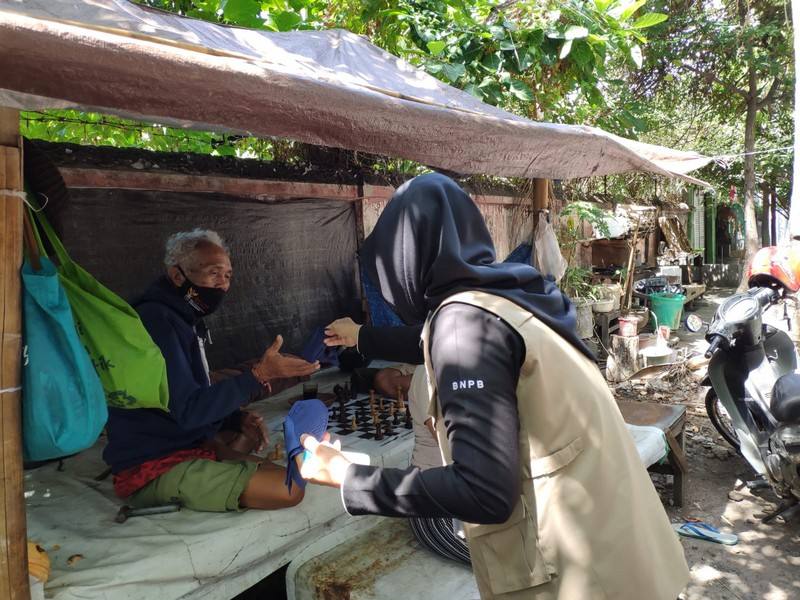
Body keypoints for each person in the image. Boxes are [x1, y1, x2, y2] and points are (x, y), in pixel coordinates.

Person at [301, 174, 689, 599]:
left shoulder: (462, 322)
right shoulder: (512, 295)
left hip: (578, 576)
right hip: (625, 549)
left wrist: (348, 477)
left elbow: (484, 494)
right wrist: (362, 336)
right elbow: (435, 341)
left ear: (403, 258)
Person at [104, 229, 319, 512]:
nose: (222, 285)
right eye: (213, 273)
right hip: (153, 462)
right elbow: (189, 410)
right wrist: (259, 375)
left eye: (228, 276)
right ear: (178, 275)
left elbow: (186, 394)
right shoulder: (156, 320)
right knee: (289, 489)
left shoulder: (183, 317)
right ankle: (185, 477)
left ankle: (222, 453)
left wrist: (234, 419)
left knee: (260, 445)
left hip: (186, 439)